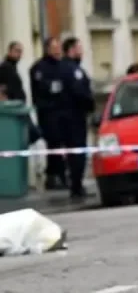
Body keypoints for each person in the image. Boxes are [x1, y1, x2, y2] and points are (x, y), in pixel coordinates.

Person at [30, 36, 69, 190]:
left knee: (62, 144)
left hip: (63, 111)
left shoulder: (63, 65)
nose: (58, 50)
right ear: (48, 49)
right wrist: (55, 87)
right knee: (53, 144)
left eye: (59, 47)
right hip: (48, 112)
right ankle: (54, 176)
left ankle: (60, 174)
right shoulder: (39, 68)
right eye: (55, 47)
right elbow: (44, 88)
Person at [61, 37, 94, 198]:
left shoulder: (72, 68)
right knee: (77, 152)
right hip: (74, 117)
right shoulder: (72, 69)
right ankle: (76, 186)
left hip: (73, 116)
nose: (81, 51)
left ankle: (76, 184)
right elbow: (79, 92)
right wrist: (90, 103)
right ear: (71, 50)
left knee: (76, 152)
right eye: (79, 48)